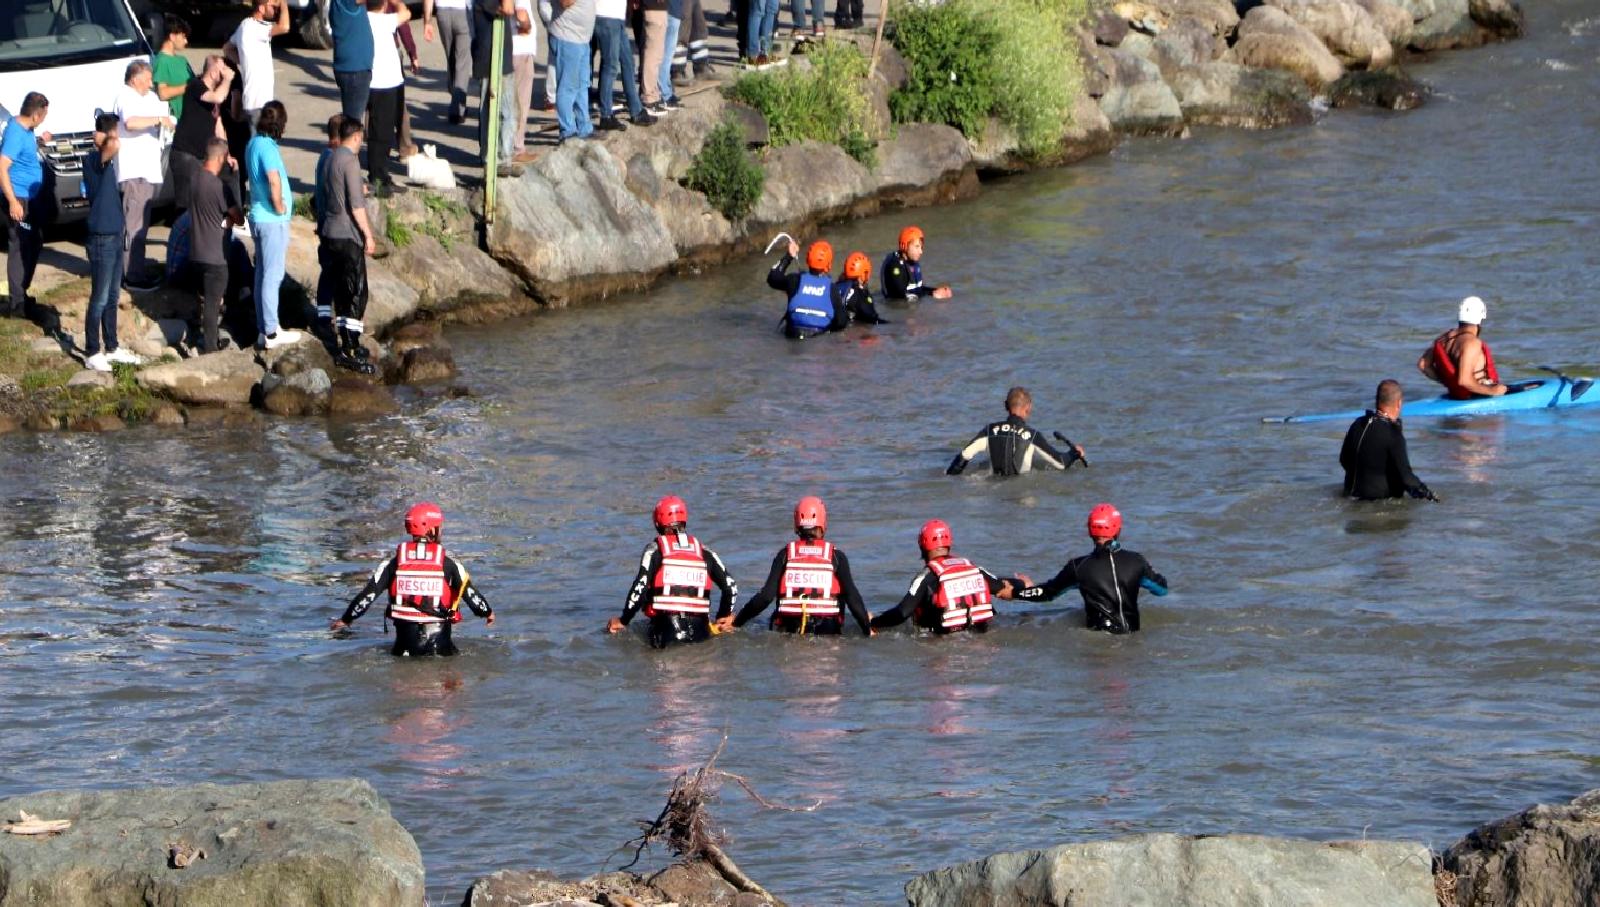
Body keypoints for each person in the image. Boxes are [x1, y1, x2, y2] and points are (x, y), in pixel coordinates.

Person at [330, 502, 495, 656]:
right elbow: (471, 596)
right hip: (440, 647)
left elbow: (367, 597)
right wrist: (487, 612)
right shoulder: (448, 563)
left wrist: (346, 620)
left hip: (403, 648)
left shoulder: (393, 563)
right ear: (432, 529)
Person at [719, 496, 873, 636]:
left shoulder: (785, 555)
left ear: (796, 525)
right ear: (823, 523)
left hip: (788, 628)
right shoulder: (836, 556)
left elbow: (765, 597)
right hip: (827, 629)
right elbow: (853, 598)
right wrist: (867, 628)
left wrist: (737, 621)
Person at [1007, 504, 1169, 635]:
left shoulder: (1078, 567)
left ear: (1090, 531)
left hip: (1100, 644)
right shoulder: (1137, 561)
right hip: (1132, 642)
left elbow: (1048, 593)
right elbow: (1161, 590)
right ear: (1118, 530)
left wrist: (1016, 592)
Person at [607, 495, 738, 648]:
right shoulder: (705, 552)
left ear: (657, 523)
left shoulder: (655, 550)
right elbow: (731, 587)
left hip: (667, 631)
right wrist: (723, 617)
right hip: (702, 632)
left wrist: (623, 620)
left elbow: (640, 587)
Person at [870, 520, 1018, 634]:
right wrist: (1022, 583)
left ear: (921, 546)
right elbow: (1002, 587)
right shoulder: (974, 569)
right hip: (982, 641)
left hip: (942, 643)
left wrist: (874, 622)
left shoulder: (926, 577)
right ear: (949, 544)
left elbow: (901, 613)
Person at [318, 118, 379, 373]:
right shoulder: (351, 161)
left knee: (342, 290)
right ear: (355, 137)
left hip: (330, 231)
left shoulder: (329, 157)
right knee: (356, 292)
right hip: (346, 235)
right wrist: (368, 234)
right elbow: (356, 205)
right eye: (361, 138)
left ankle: (347, 343)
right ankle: (349, 348)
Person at [245, 102, 302, 350]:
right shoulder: (267, 148)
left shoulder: (253, 143)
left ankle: (264, 328)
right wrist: (279, 205)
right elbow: (273, 179)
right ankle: (270, 331)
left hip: (259, 217)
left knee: (262, 275)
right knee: (273, 275)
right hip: (271, 220)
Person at [114, 61, 174, 290]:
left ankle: (136, 270)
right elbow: (130, 122)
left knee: (142, 224)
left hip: (149, 170)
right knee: (134, 224)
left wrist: (166, 122)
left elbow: (163, 114)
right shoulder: (125, 96)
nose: (151, 83)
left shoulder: (148, 97)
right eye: (148, 79)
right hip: (133, 171)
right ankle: (131, 276)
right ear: (135, 79)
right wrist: (157, 120)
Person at [186, 138, 245, 354]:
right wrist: (235, 178)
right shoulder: (220, 187)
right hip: (215, 257)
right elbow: (238, 217)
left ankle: (209, 339)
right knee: (213, 304)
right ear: (221, 158)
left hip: (195, 252)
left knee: (207, 300)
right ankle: (210, 349)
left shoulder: (194, 178)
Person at [948, 386, 1086, 476]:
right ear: (1029, 408)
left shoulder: (989, 430)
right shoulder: (1032, 436)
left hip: (994, 498)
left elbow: (963, 457)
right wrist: (1074, 453)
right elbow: (1061, 463)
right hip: (1022, 499)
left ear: (1005, 406)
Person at [83, 113, 131, 370]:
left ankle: (112, 346)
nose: (119, 136)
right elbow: (114, 145)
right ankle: (92, 351)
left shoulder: (108, 163)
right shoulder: (94, 160)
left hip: (113, 235)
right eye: (116, 131)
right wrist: (106, 137)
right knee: (99, 297)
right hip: (100, 238)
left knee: (112, 296)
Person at [1340, 379, 1437, 502]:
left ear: (1377, 400)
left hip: (1350, 496)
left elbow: (1343, 460)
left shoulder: (1358, 423)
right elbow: (1406, 478)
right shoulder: (1393, 434)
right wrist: (1430, 496)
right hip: (1379, 504)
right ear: (1399, 404)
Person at [0, 92, 49, 317]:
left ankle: (22, 293)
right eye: (45, 114)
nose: (45, 118)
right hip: (18, 198)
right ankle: (17, 304)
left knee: (34, 243)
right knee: (20, 248)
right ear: (36, 115)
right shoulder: (16, 134)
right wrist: (12, 202)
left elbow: (22, 154)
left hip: (29, 197)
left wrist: (40, 141)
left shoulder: (26, 130)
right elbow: (2, 167)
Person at [170, 56, 238, 215]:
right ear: (214, 73)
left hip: (203, 156)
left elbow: (218, 125)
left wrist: (226, 153)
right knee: (187, 206)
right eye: (222, 71)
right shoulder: (195, 85)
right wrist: (227, 80)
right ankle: (182, 236)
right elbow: (218, 97)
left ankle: (233, 219)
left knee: (230, 175)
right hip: (185, 154)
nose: (224, 75)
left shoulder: (213, 94)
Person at [1417, 295, 1510, 399]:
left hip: (1457, 396)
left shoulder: (1442, 340)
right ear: (1480, 319)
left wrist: (1449, 383)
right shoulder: (1471, 342)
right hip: (1477, 398)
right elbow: (1464, 380)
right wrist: (1492, 390)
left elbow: (1423, 365)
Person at [366, 0, 411, 196]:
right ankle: (378, 177)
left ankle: (382, 174)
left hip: (387, 81)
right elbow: (406, 12)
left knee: (383, 131)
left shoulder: (367, 19)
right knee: (381, 133)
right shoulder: (382, 20)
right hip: (383, 83)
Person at [226, 0, 291, 128]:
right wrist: (284, 4)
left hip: (255, 100)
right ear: (261, 8)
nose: (276, 10)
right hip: (258, 102)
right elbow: (284, 27)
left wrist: (244, 61)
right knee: (260, 141)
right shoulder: (254, 27)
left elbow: (227, 48)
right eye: (273, 7)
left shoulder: (245, 25)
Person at [593, 0, 653, 129]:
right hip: (606, 15)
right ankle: (606, 115)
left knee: (628, 62)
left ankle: (636, 110)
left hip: (616, 16)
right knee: (610, 66)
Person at [474, 0, 519, 169]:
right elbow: (507, 8)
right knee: (494, 111)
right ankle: (494, 159)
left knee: (506, 111)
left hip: (502, 58)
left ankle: (503, 157)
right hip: (490, 60)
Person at [770, 239, 845, 339]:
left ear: (807, 260)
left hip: (793, 334)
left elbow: (773, 278)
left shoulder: (794, 280)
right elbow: (841, 322)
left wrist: (789, 256)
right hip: (818, 338)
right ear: (829, 266)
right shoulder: (832, 288)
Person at [549, 0, 597, 145]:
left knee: (582, 86)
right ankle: (567, 131)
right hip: (567, 37)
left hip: (581, 39)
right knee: (567, 87)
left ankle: (584, 128)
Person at [423, 0, 475, 124]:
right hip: (463, 11)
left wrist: (427, 21)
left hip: (443, 12)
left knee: (451, 58)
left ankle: (455, 99)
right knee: (461, 63)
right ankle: (457, 108)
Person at [329, 0, 375, 121]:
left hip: (353, 68)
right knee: (353, 123)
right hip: (355, 70)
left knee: (351, 120)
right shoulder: (347, 2)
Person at [881, 225, 952, 301]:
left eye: (921, 247)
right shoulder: (895, 265)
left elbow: (918, 289)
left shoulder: (912, 262)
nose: (921, 252)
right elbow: (900, 296)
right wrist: (932, 294)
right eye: (917, 247)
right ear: (904, 246)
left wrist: (936, 291)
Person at [510, 0, 540, 161]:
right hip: (520, 48)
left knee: (511, 101)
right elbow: (521, 14)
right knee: (521, 101)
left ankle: (511, 145)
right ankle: (517, 148)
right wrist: (527, 26)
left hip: (512, 48)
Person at [153, 16, 196, 120]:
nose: (186, 41)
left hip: (192, 115)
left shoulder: (182, 60)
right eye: (183, 37)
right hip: (178, 119)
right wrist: (188, 87)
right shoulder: (162, 61)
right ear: (172, 36)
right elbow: (163, 93)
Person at [833, 251, 888, 326]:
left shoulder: (836, 286)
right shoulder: (859, 293)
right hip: (849, 332)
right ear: (863, 274)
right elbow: (872, 317)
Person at [639, 0, 671, 116]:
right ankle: (649, 98)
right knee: (652, 56)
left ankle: (653, 94)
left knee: (657, 56)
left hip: (659, 9)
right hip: (654, 9)